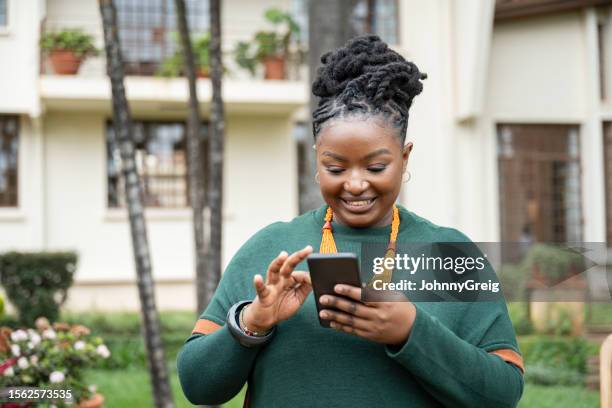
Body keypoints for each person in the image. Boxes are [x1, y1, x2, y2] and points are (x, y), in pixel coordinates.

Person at [177, 35, 524, 408]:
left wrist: (410, 330)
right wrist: (253, 321)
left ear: (405, 158)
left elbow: (502, 394)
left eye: (376, 167)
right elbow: (198, 386)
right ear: (316, 158)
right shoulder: (271, 247)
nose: (355, 184)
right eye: (335, 167)